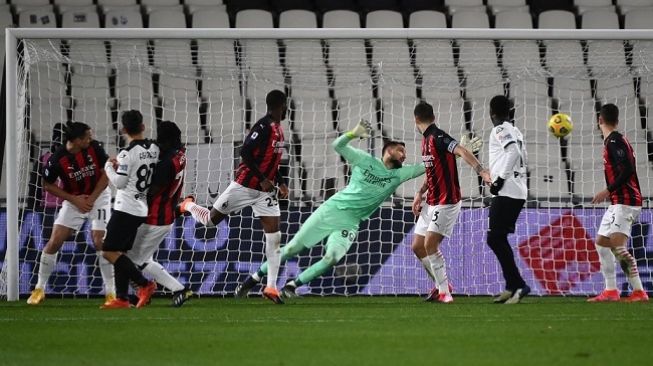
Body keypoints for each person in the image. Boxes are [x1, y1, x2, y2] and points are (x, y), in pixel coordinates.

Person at [235, 119, 426, 298]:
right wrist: (352, 133)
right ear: (389, 150)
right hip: (331, 210)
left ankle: (292, 286)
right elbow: (338, 146)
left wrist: (451, 149)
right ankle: (252, 280)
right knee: (292, 248)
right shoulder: (365, 160)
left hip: (351, 222)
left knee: (332, 257)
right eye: (401, 150)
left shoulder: (400, 174)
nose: (405, 155)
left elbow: (426, 166)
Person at [178, 90, 289, 304]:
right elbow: (245, 153)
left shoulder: (279, 130)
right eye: (285, 106)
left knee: (274, 238)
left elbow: (273, 162)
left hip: (264, 193)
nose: (286, 109)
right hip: (244, 186)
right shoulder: (263, 126)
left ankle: (272, 288)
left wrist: (281, 181)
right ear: (281, 105)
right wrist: (263, 178)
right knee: (210, 221)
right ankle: (188, 205)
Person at [411, 101, 492, 303]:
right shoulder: (425, 140)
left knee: (430, 244)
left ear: (416, 120)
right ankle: (441, 286)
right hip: (431, 201)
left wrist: (481, 170)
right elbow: (432, 172)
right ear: (433, 116)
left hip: (447, 201)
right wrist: (419, 193)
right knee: (417, 246)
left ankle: (445, 293)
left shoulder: (438, 136)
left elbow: (462, 151)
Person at [27, 122, 114, 305]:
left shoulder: (95, 148)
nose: (91, 139)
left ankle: (110, 293)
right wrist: (75, 200)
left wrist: (90, 200)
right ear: (76, 140)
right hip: (74, 200)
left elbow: (106, 175)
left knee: (100, 241)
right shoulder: (56, 160)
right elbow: (47, 185)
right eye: (87, 137)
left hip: (99, 197)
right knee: (55, 241)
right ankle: (39, 289)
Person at [125, 121, 192, 307]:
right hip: (164, 215)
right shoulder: (179, 155)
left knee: (129, 259)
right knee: (143, 258)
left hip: (155, 218)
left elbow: (152, 190)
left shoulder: (165, 163)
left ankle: (175, 289)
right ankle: (147, 291)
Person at [588, 103, 648, 302]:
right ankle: (611, 290)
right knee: (602, 243)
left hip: (625, 200)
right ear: (617, 119)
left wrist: (607, 190)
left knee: (617, 246)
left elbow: (628, 169)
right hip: (617, 201)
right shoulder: (614, 140)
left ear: (600, 120)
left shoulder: (614, 141)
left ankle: (639, 290)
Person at [101, 110, 160, 309]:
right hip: (141, 207)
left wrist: (108, 167)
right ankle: (122, 298)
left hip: (126, 208)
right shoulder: (154, 148)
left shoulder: (126, 154)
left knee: (108, 251)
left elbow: (120, 182)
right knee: (120, 253)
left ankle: (145, 284)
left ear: (124, 130)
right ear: (143, 127)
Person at [484, 95, 530, 304]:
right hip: (518, 190)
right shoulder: (516, 130)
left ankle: (518, 284)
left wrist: (500, 179)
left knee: (495, 238)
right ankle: (512, 285)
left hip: (507, 190)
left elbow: (513, 151)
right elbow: (520, 155)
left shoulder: (500, 129)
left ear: (492, 113)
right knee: (498, 238)